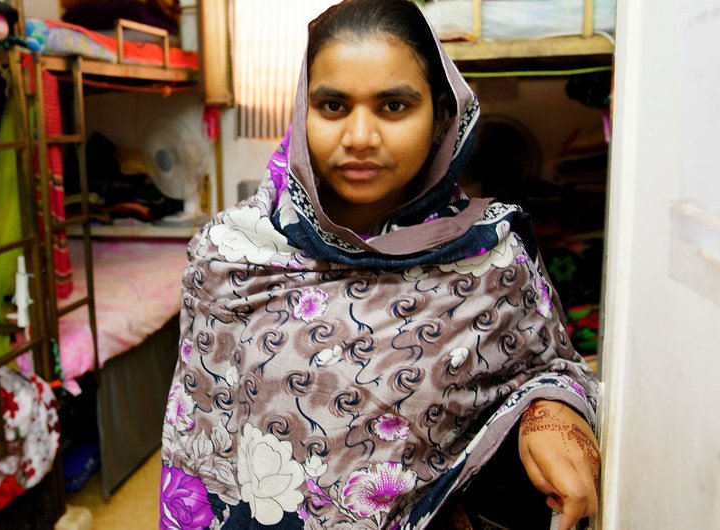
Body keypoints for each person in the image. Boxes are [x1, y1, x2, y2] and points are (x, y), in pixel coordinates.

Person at [158, 0, 600, 528]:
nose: (360, 138)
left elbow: (554, 370)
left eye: (393, 107)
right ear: (303, 112)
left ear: (440, 116)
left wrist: (549, 414)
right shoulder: (228, 255)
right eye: (333, 107)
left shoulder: (493, 260)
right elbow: (196, 444)